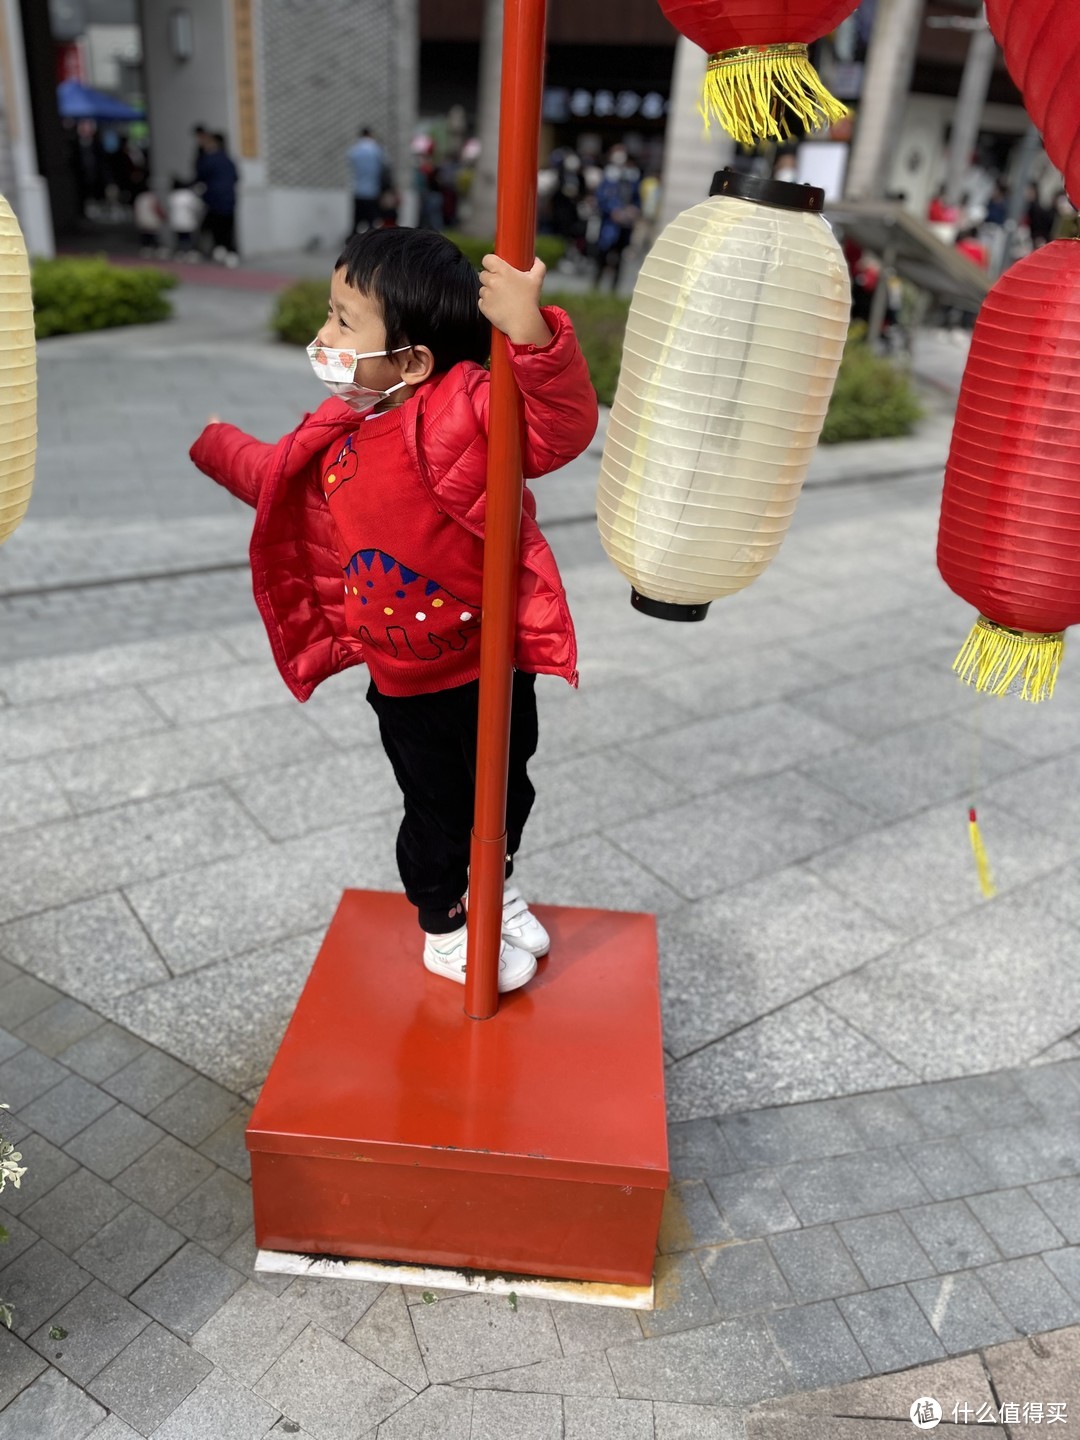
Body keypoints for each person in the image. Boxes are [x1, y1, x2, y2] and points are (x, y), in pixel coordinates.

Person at [189, 228, 598, 993]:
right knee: (438, 810)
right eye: (328, 313)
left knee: (510, 790)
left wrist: (531, 333)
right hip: (409, 686)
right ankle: (445, 924)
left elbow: (559, 428)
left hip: (492, 664)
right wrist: (214, 443)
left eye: (345, 321)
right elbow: (271, 476)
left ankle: (495, 888)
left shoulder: (464, 407)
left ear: (412, 360)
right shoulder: (335, 432)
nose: (324, 335)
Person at [196, 131, 239, 264]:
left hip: (215, 200)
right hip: (229, 199)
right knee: (228, 228)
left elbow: (199, 175)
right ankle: (230, 253)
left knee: (214, 228)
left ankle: (219, 250)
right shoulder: (228, 159)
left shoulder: (208, 159)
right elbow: (236, 177)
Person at [347, 127, 388, 235]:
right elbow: (384, 168)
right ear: (370, 135)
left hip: (358, 191)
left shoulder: (354, 151)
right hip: (373, 191)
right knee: (372, 222)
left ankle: (352, 245)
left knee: (356, 221)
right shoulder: (376, 150)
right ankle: (370, 246)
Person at [167, 177, 203, 259]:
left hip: (175, 221)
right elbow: (197, 206)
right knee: (187, 238)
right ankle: (189, 252)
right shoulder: (189, 195)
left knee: (179, 238)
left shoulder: (173, 195)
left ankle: (180, 253)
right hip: (187, 221)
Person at [133, 186, 166, 255]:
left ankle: (145, 249)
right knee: (153, 235)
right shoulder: (152, 197)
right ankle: (156, 249)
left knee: (145, 235)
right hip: (151, 219)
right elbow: (157, 209)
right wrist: (163, 217)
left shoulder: (139, 197)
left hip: (142, 219)